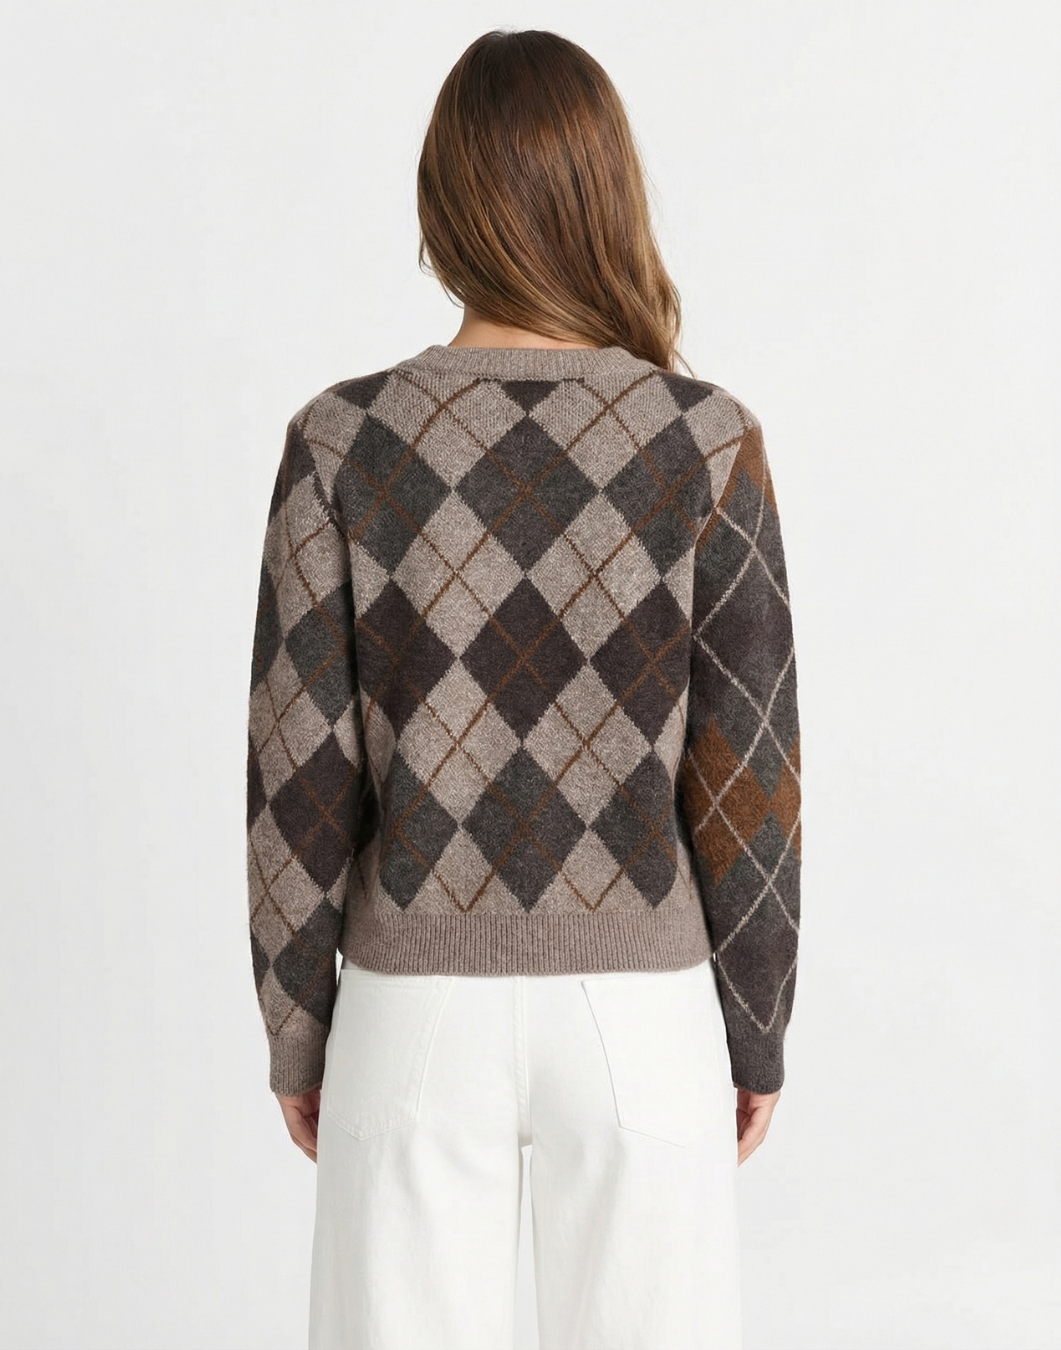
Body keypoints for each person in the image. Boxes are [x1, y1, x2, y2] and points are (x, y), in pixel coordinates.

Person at [245, 27, 801, 1350]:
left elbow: (297, 773)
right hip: (641, 1013)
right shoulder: (705, 440)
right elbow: (750, 772)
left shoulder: (342, 442)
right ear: (609, 195)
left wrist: (297, 1028)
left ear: (442, 201)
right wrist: (757, 1027)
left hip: (411, 1004)